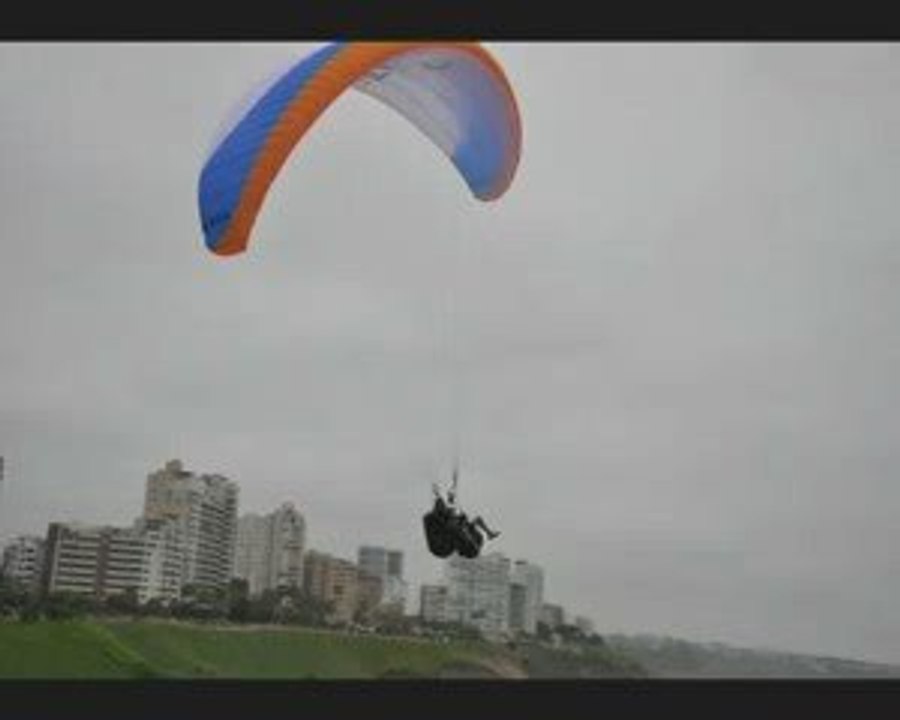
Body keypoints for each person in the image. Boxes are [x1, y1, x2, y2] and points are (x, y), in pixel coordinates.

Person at [422, 468, 500, 559]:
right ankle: (439, 492)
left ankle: (437, 490)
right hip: (445, 538)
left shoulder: (458, 538)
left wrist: (449, 500)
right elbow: (477, 520)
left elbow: (454, 525)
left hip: (441, 546)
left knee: (449, 517)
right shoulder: (468, 531)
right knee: (451, 516)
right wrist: (489, 532)